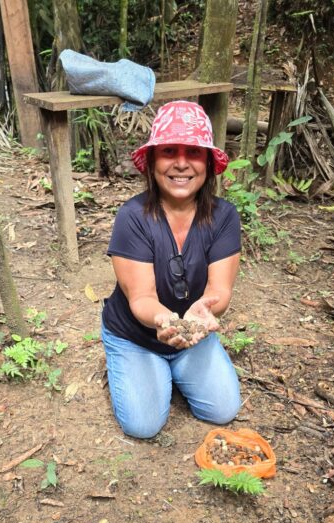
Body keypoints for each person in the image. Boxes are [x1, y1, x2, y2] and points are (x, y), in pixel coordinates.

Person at [101, 100, 242, 439]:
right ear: (152, 162)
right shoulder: (132, 217)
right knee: (143, 426)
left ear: (208, 163)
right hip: (137, 335)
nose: (181, 163)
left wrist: (200, 315)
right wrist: (166, 321)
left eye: (193, 152)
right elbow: (142, 298)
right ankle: (137, 363)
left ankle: (172, 369)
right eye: (168, 151)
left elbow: (219, 290)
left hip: (193, 333)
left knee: (222, 410)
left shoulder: (224, 217)